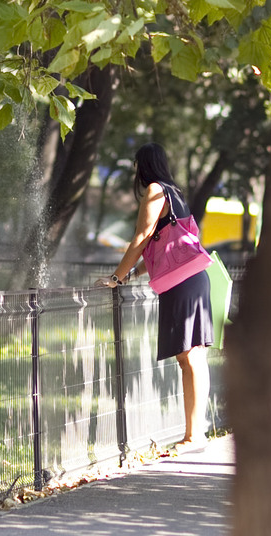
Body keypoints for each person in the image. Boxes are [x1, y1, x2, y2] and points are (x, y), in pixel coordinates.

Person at [94, 142, 213, 455]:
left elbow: (142, 237)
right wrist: (133, 274)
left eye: (136, 165)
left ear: (143, 165)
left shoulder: (156, 191)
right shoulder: (174, 193)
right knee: (193, 357)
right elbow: (164, 246)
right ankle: (196, 433)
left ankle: (194, 436)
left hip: (184, 282)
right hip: (193, 278)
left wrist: (117, 277)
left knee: (190, 357)